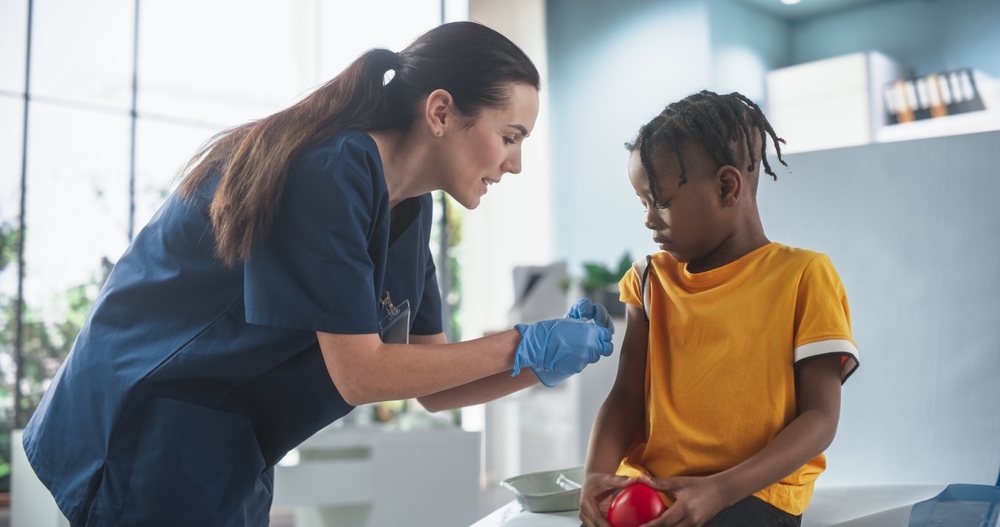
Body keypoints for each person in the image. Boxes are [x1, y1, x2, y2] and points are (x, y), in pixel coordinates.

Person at [23, 22, 615, 526]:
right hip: (144, 424)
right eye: (510, 137)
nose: (515, 163)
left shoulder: (408, 207)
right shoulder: (331, 170)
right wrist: (521, 343)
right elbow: (361, 373)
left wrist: (539, 362)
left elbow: (435, 388)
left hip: (224, 440)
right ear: (440, 111)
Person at [579, 91, 859, 527]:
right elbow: (626, 397)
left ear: (727, 187)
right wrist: (595, 477)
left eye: (662, 201)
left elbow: (820, 417)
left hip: (753, 491)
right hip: (652, 488)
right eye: (643, 204)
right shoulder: (648, 281)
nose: (649, 219)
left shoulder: (805, 276)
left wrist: (721, 489)